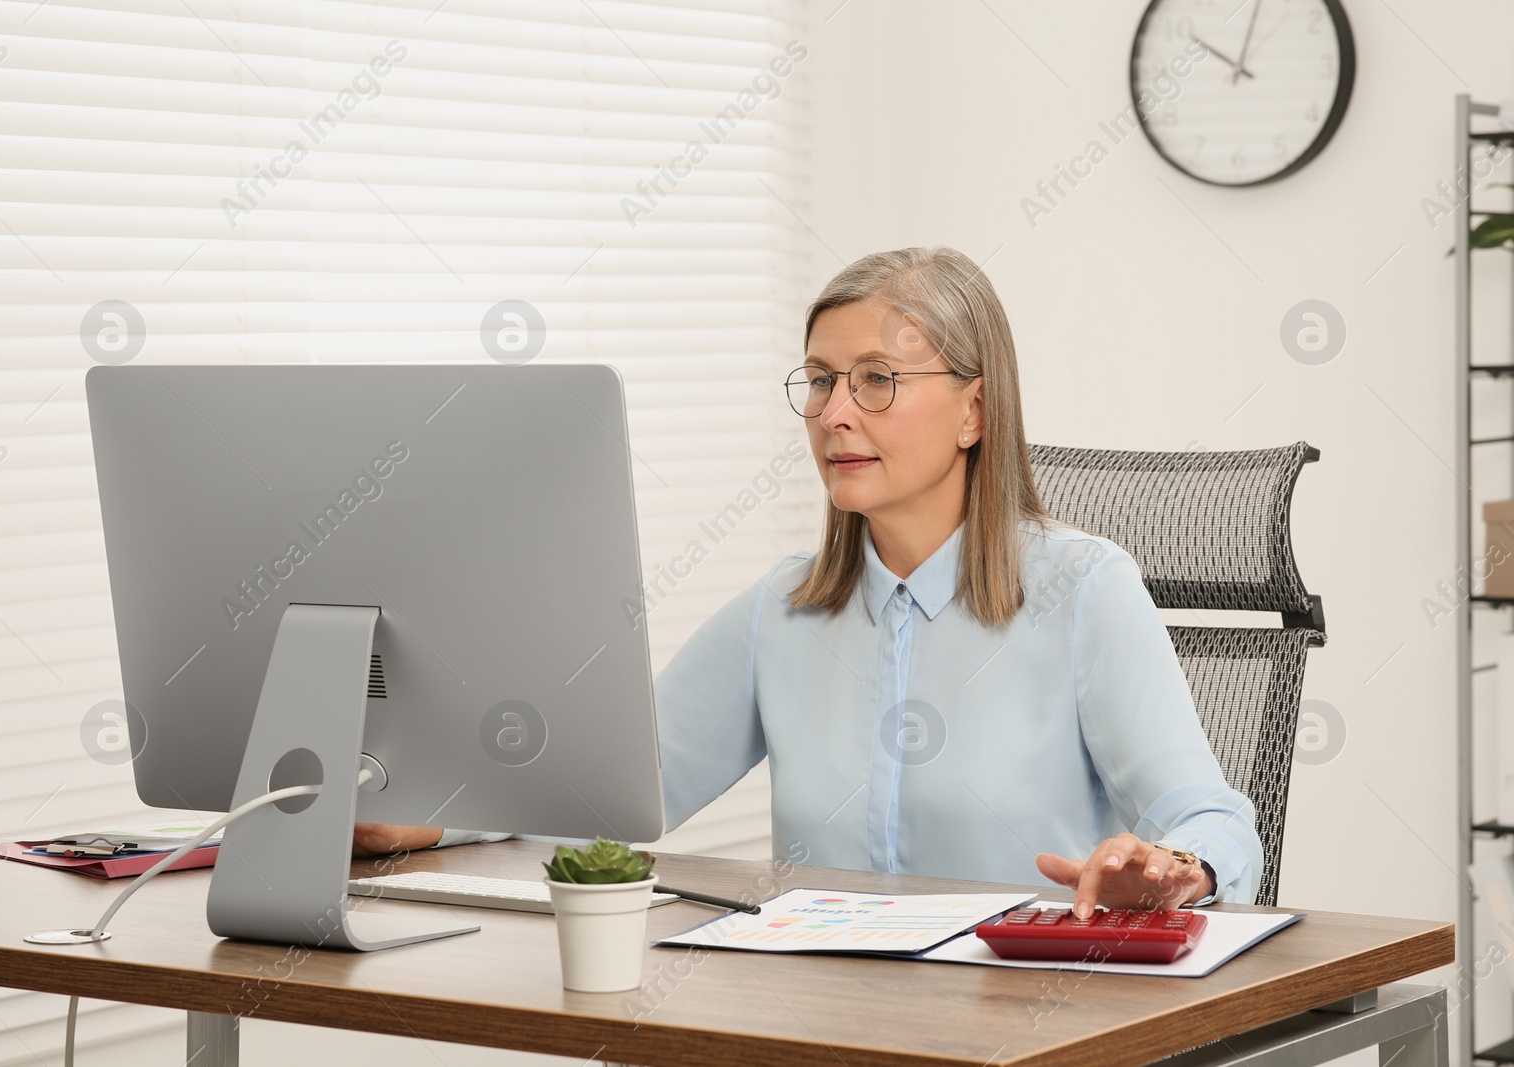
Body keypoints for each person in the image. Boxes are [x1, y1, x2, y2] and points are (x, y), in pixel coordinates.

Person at [358, 245, 1263, 918]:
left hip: (1023, 1021)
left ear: (974, 410)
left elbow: (1210, 816)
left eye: (876, 380)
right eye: (822, 381)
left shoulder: (1085, 590)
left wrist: (1179, 865)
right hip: (822, 1016)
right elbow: (611, 786)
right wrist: (429, 821)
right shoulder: (785, 610)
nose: (834, 414)